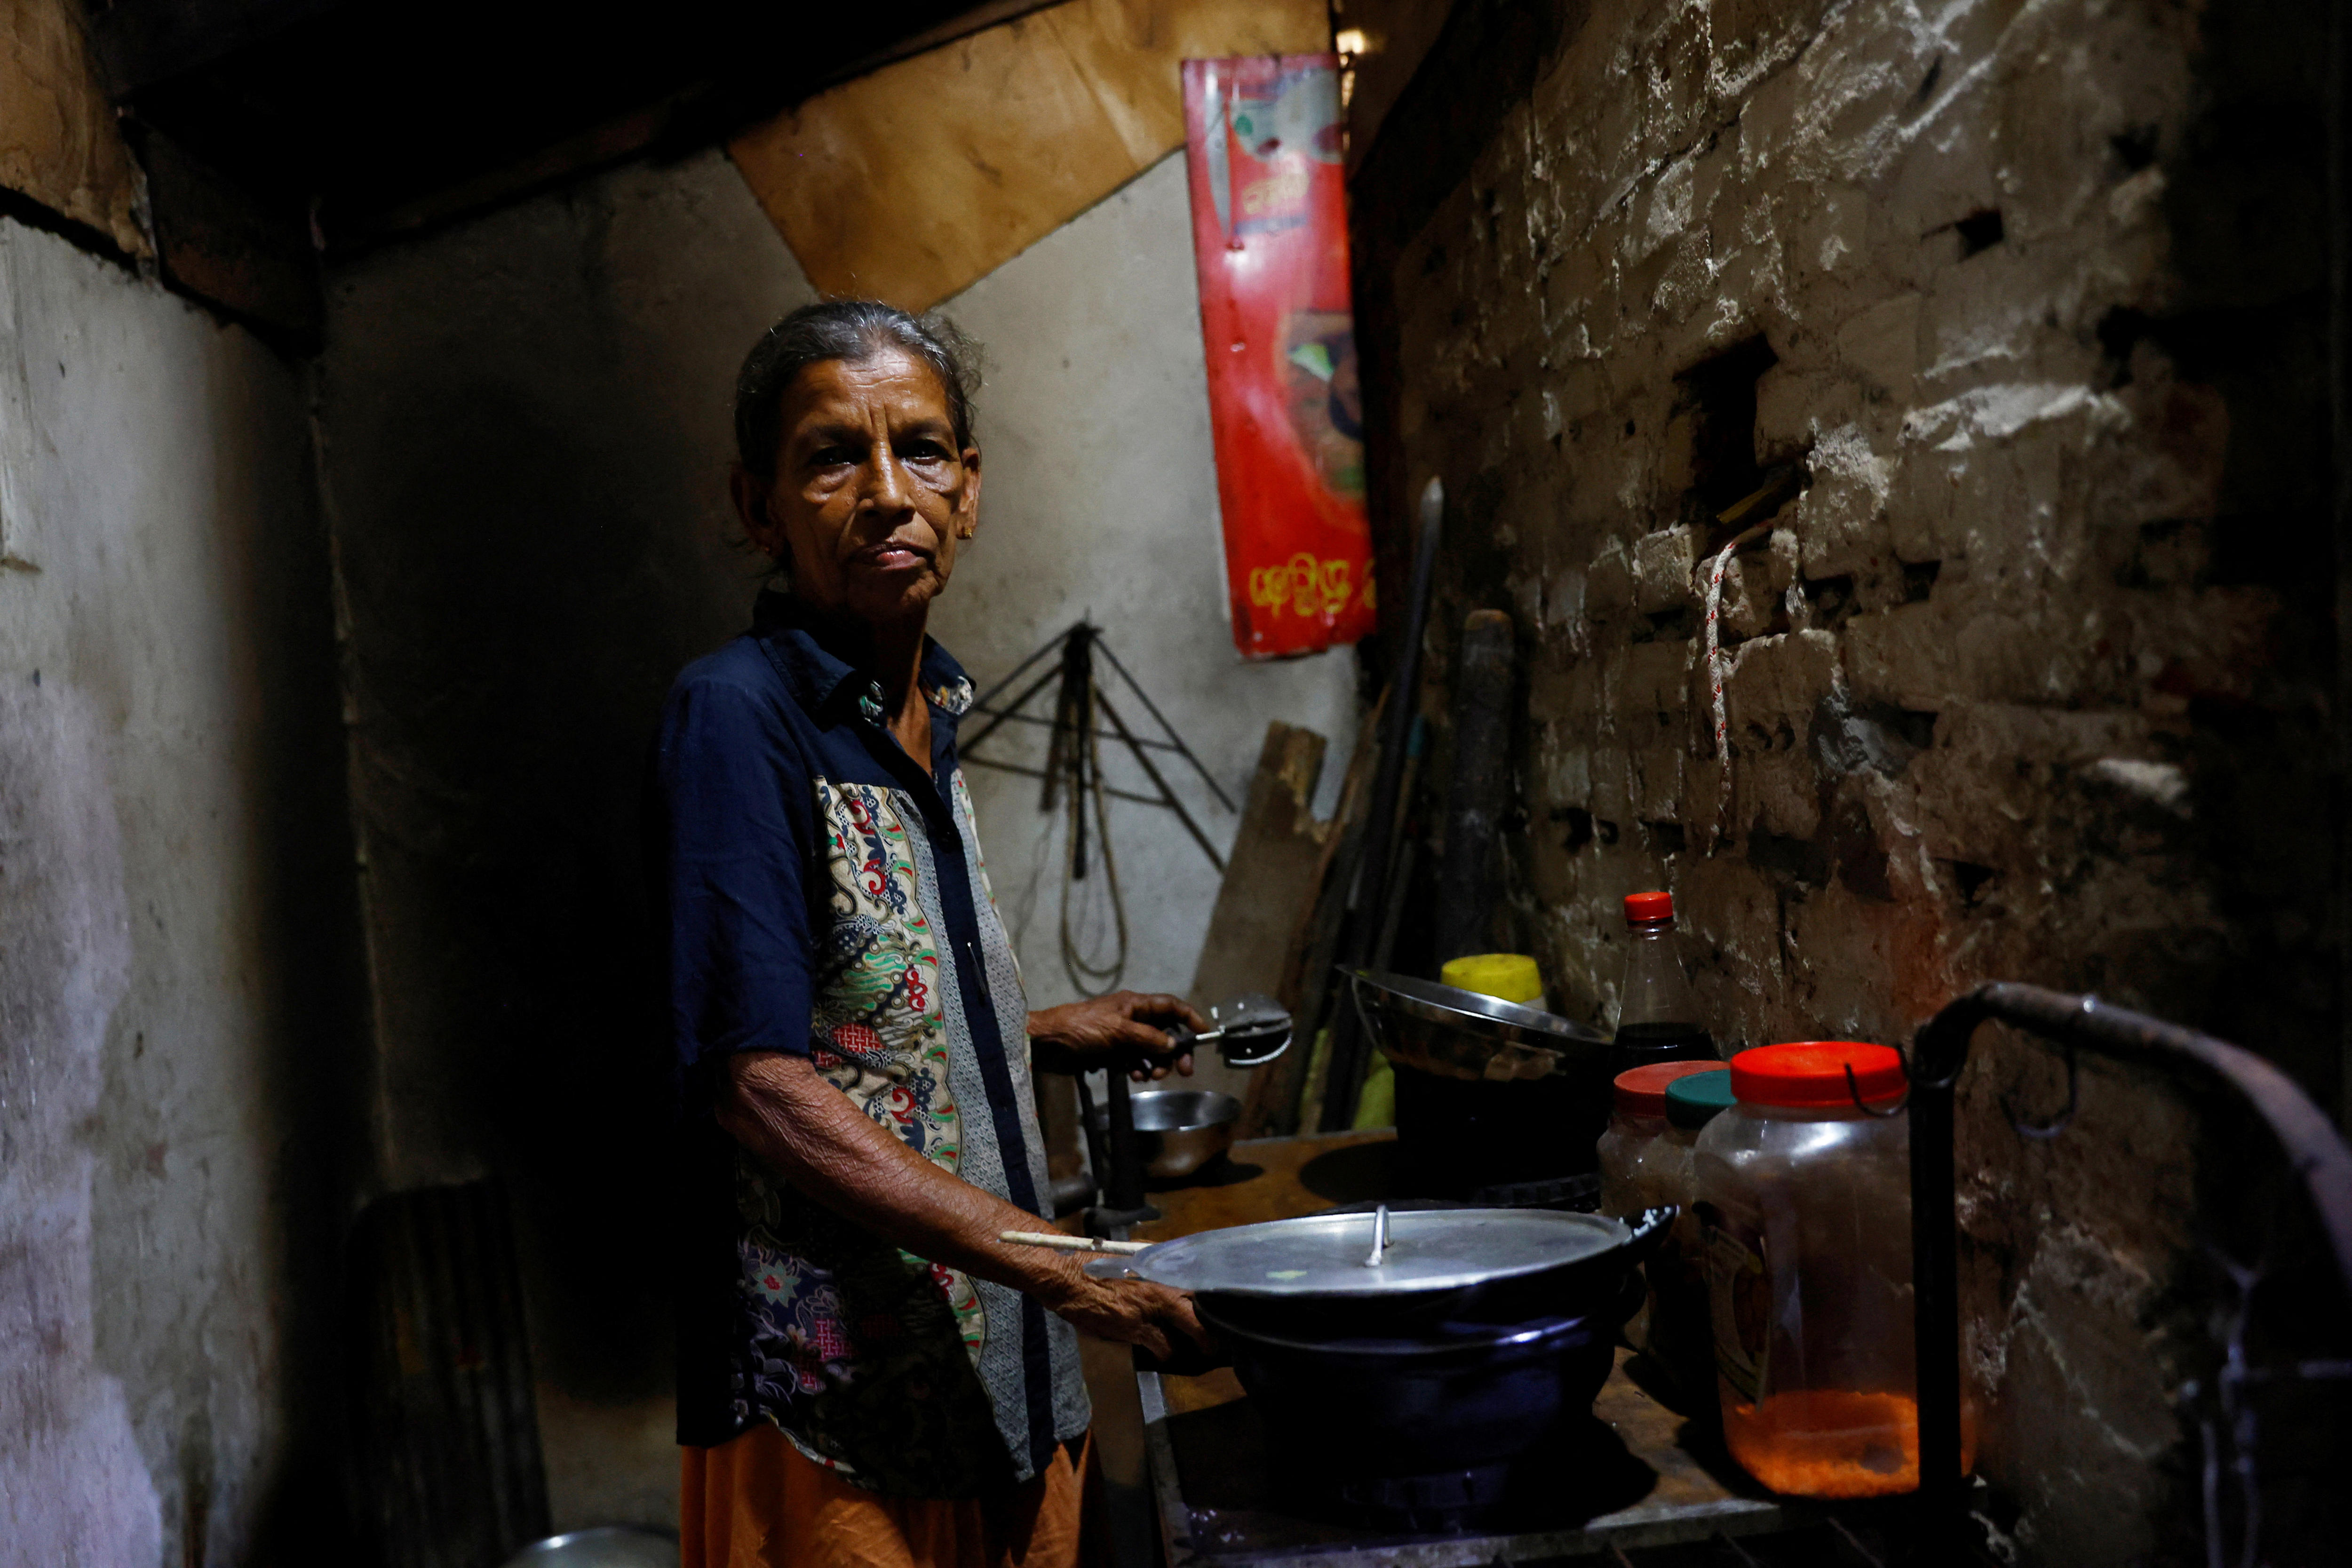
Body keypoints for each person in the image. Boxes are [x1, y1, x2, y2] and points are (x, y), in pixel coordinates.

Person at [651, 299, 1209, 1568]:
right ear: (760, 507)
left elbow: (853, 1001)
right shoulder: (737, 720)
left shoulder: (921, 709)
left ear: (970, 492)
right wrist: (1073, 1268)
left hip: (998, 1374)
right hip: (846, 1410)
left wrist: (1036, 1033)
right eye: (833, 456)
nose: (889, 492)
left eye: (924, 450)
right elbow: (759, 1085)